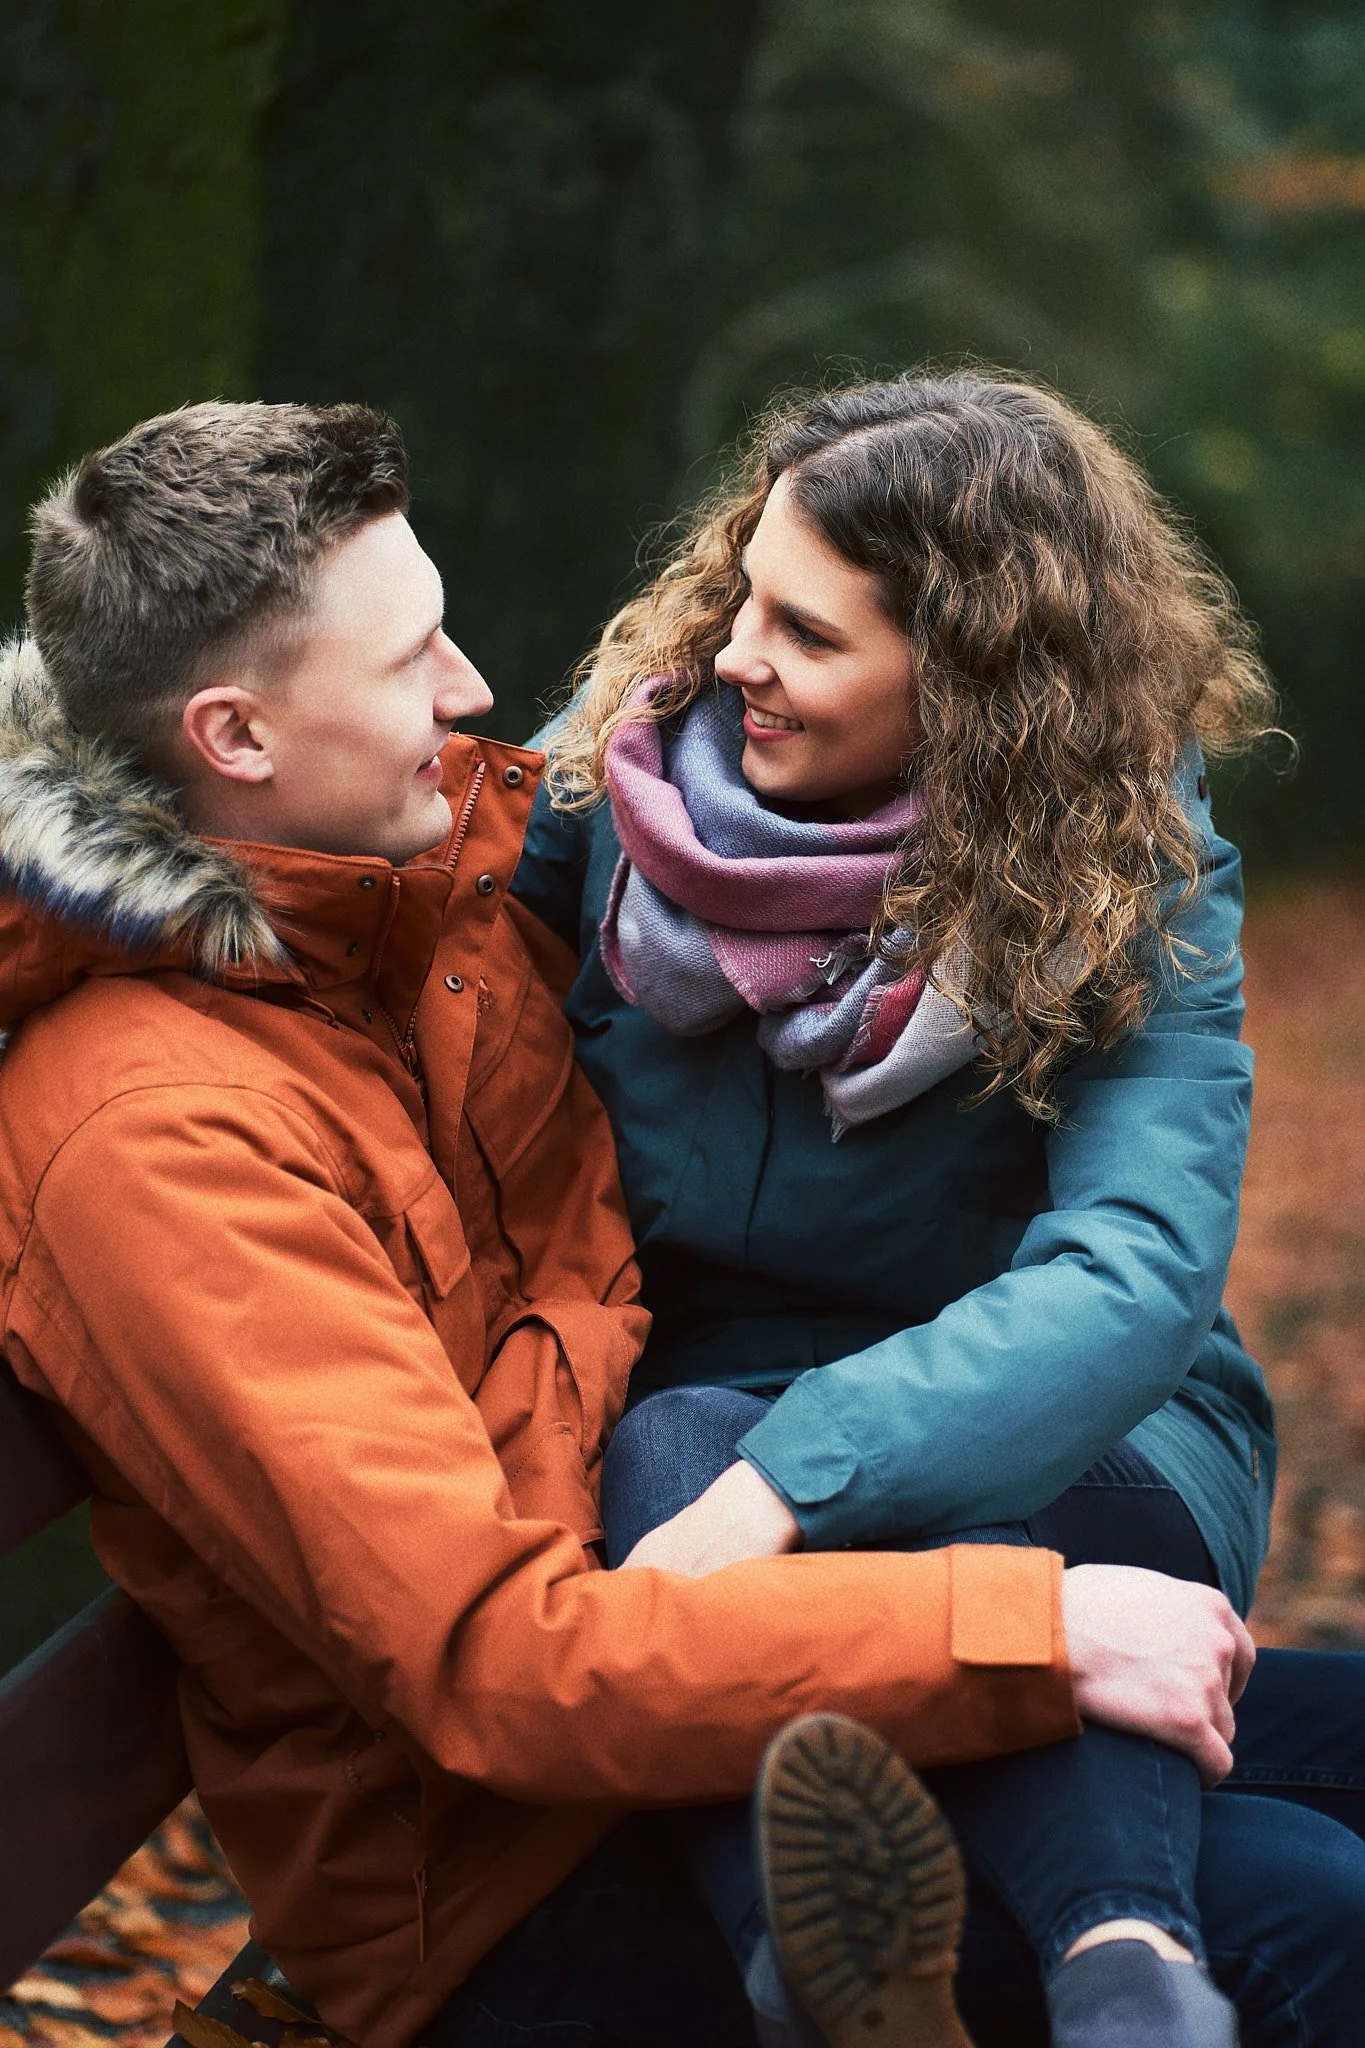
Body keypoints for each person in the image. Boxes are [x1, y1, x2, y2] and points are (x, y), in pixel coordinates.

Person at [0, 400, 1252, 2048]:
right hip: (567, 1754)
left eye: (804, 627)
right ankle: (1024, 1973)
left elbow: (1135, 1272)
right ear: (235, 736)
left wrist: (825, 1506)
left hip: (839, 1564)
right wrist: (1029, 1632)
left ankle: (1079, 1962)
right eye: (417, 662)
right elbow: (496, 1662)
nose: (473, 700)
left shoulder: (432, 885)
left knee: (1292, 1863)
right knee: (1305, 1916)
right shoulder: (188, 1105)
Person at [513, 371, 1365, 2046]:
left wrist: (797, 1479)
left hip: (1080, 1433)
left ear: (973, 679)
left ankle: (1117, 1964)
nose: (735, 654)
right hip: (694, 1411)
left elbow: (1135, 1273)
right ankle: (978, 1978)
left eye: (809, 635)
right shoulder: (613, 788)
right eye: (745, 592)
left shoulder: (1129, 864)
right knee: (683, 1434)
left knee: (809, 1480)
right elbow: (376, 911)